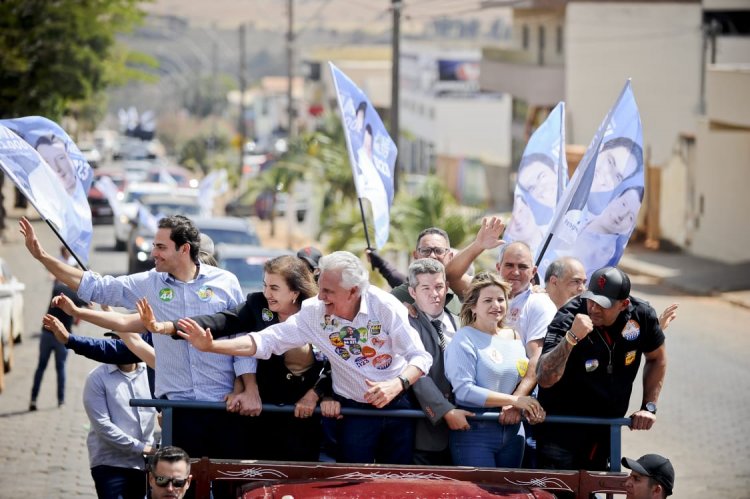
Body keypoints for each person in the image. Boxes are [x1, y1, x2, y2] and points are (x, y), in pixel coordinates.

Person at [19, 215, 258, 460]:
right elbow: (98, 287)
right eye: (154, 245)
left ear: (184, 249)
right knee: (178, 486)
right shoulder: (150, 282)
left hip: (225, 406)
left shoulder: (226, 282)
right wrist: (42, 257)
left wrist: (248, 389)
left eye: (161, 247)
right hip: (178, 409)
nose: (154, 252)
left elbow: (241, 337)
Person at [174, 251, 433, 465]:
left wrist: (396, 384)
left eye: (329, 292)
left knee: (397, 482)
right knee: (353, 481)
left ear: (353, 291)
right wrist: (211, 346)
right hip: (354, 411)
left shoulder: (385, 306)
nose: (320, 297)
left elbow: (420, 357)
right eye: (320, 289)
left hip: (399, 406)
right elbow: (267, 340)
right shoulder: (314, 313)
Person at [144, 255, 328, 462]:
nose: (267, 293)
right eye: (265, 285)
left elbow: (338, 363)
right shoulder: (257, 304)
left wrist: (316, 394)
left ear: (295, 291)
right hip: (258, 416)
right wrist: (168, 327)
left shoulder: (319, 315)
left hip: (302, 419)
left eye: (275, 288)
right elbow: (221, 321)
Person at [536, 266, 668, 471]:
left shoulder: (641, 315)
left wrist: (648, 407)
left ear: (624, 304)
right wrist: (571, 338)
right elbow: (544, 378)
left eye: (603, 305)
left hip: (605, 431)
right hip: (562, 431)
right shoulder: (568, 317)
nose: (594, 309)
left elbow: (656, 358)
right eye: (591, 300)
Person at [45, 315, 157, 499]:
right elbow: (103, 426)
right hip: (110, 464)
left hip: (143, 465)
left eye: (125, 341)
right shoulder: (97, 378)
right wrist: (143, 448)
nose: (118, 346)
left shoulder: (151, 373)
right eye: (115, 340)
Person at [445, 272, 545, 468]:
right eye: (488, 300)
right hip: (474, 431)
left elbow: (523, 377)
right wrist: (514, 401)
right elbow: (464, 391)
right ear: (473, 306)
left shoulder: (515, 336)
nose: (496, 305)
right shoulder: (463, 338)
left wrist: (528, 405)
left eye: (501, 299)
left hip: (514, 431)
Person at [406, 259, 471, 466]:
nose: (434, 294)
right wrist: (445, 410)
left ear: (447, 288)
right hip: (425, 434)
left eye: (439, 287)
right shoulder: (404, 323)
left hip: (466, 430)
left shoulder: (462, 323)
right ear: (412, 292)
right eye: (425, 288)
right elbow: (416, 373)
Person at [368, 227, 462, 314]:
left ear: (450, 257)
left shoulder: (463, 292)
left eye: (439, 250)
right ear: (415, 255)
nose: (432, 256)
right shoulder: (398, 298)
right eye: (425, 250)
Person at [29, 280, 88, 411]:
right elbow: (88, 306)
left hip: (47, 333)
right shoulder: (77, 297)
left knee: (41, 367)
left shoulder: (58, 289)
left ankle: (33, 399)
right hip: (62, 337)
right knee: (60, 368)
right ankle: (61, 400)